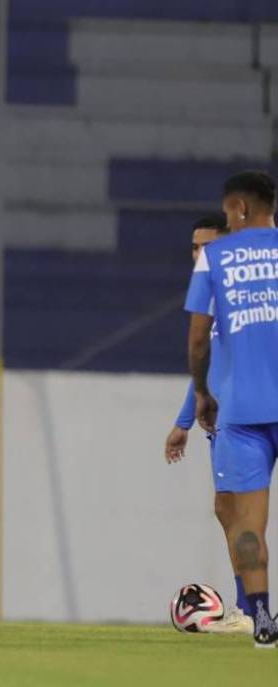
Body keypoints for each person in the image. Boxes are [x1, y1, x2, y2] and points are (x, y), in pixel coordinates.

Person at [186, 170, 278, 648]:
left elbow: (200, 339)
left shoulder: (216, 259)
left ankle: (261, 618)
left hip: (241, 411)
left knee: (247, 523)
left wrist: (202, 392)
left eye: (227, 213)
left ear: (240, 209)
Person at [166, 213, 254, 634]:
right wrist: (184, 421)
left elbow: (209, 359)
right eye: (195, 247)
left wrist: (185, 421)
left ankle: (252, 608)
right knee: (229, 509)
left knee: (238, 511)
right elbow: (206, 368)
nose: (200, 254)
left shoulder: (228, 297)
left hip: (238, 418)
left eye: (208, 246)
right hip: (225, 416)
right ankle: (250, 606)